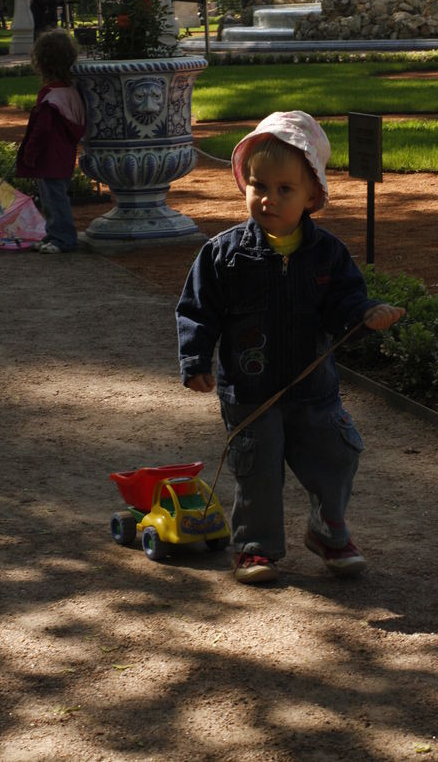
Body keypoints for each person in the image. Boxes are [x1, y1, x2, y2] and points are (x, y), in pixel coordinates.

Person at [176, 111, 404, 584]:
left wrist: (367, 313)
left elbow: (346, 302)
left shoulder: (328, 254)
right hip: (250, 390)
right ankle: (255, 547)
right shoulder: (224, 254)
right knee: (257, 470)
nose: (268, 199)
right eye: (258, 185)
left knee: (337, 455)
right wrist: (195, 358)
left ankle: (328, 530)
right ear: (244, 185)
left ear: (312, 196)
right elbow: (198, 309)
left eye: (285, 189)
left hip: (313, 388)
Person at [15, 30, 86, 254]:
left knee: (54, 200)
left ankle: (63, 238)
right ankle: (54, 234)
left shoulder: (50, 97)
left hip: (49, 157)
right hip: (62, 155)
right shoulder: (70, 92)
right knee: (54, 198)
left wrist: (29, 153)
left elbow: (41, 130)